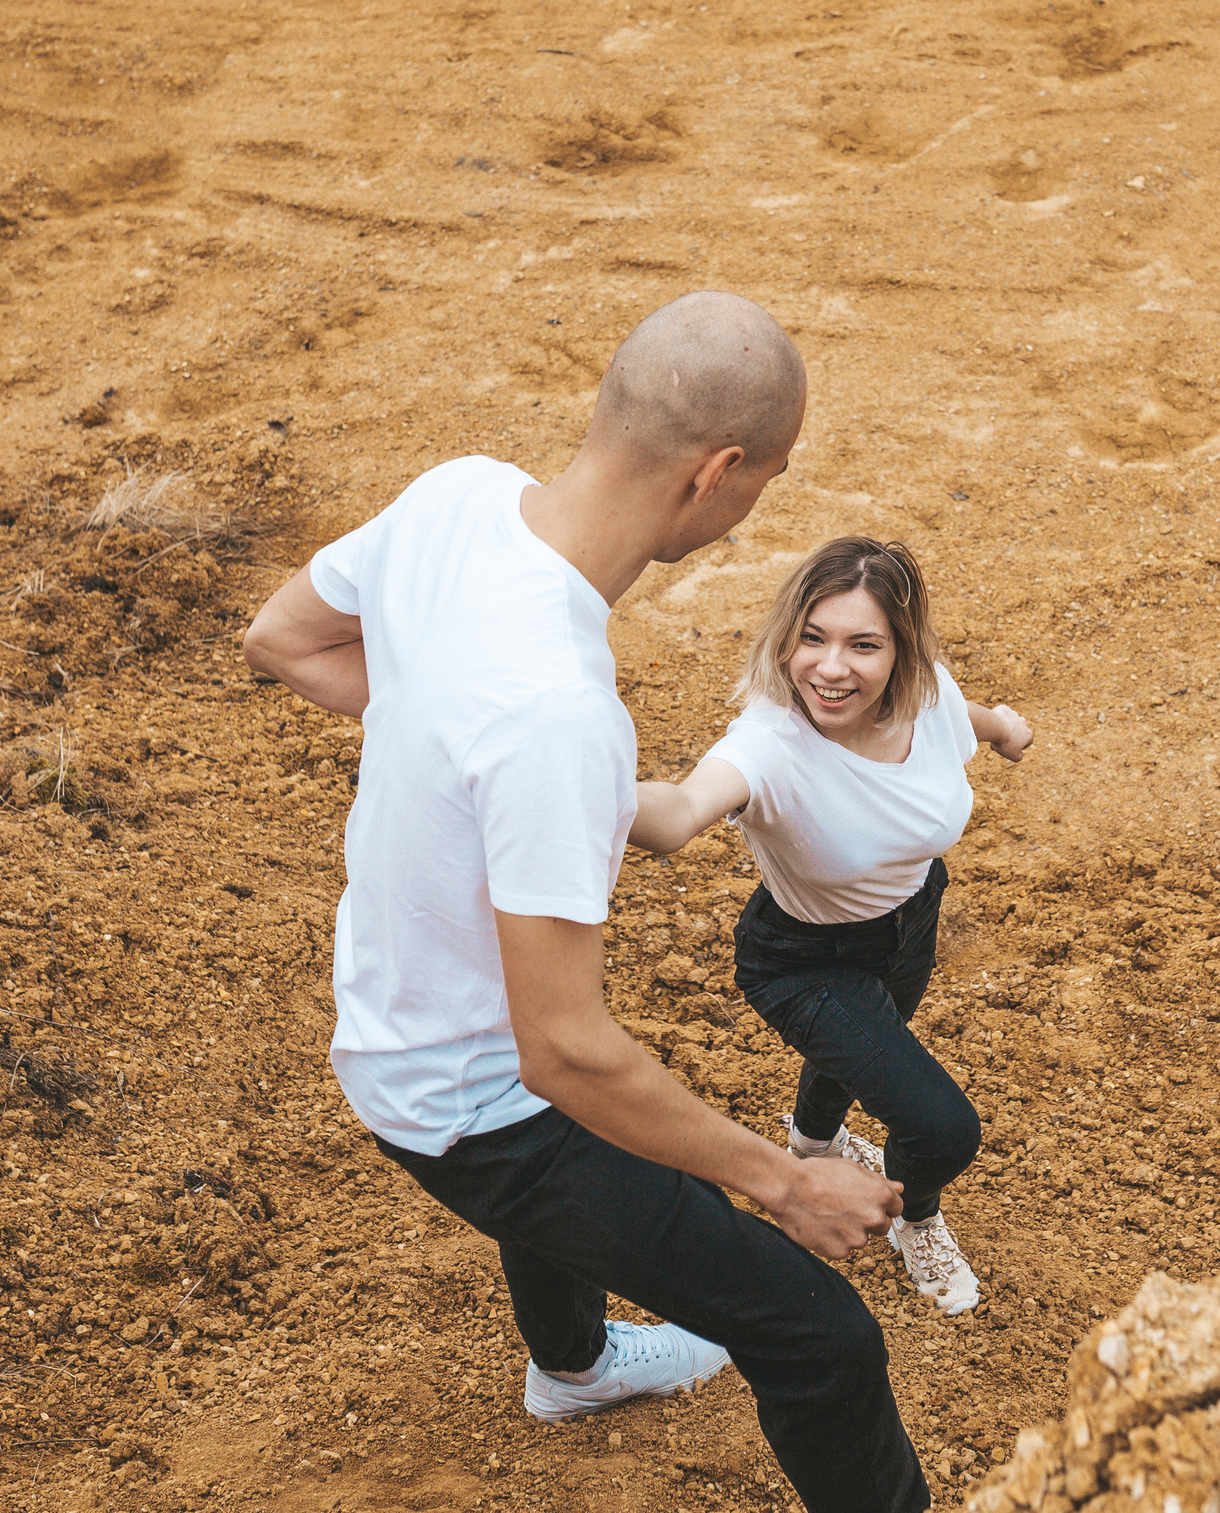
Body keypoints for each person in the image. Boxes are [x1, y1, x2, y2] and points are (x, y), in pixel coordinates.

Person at [241, 293, 931, 1513]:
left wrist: (456, 755)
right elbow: (563, 1055)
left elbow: (284, 640)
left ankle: (572, 1368)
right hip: (471, 1103)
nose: (756, 501)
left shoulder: (455, 495)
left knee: (595, 1108)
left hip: (395, 1012)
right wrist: (787, 1180)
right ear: (716, 475)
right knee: (823, 1341)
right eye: (766, 479)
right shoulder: (557, 715)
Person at [627, 537, 1033, 1316]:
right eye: (811, 637)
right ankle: (916, 1215)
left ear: (902, 653)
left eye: (862, 644)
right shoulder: (769, 746)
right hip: (804, 957)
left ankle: (813, 1138)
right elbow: (678, 814)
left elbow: (962, 715)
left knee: (859, 1053)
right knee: (942, 1129)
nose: (830, 667)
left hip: (913, 914)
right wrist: (582, 785)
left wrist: (1004, 728)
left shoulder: (927, 694)